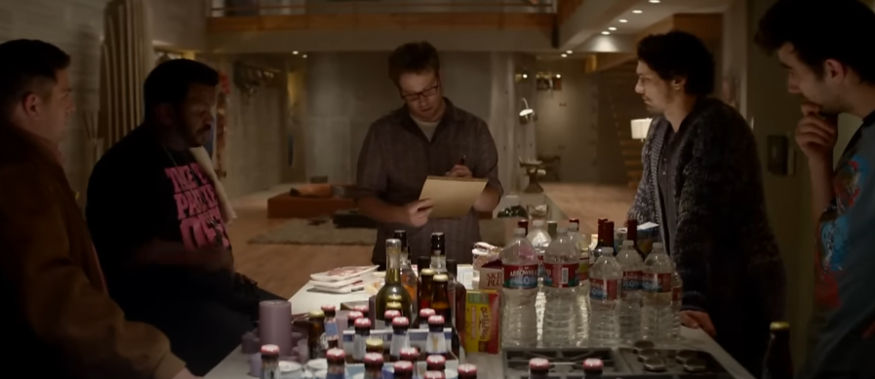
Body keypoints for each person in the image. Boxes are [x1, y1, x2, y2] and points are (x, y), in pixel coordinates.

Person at [0, 40, 198, 379]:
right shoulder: (18, 175)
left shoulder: (32, 165)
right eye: (65, 95)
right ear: (33, 105)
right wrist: (155, 362)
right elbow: (55, 294)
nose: (72, 107)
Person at [86, 59, 282, 376]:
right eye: (200, 109)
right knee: (255, 349)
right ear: (165, 113)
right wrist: (197, 256)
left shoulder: (189, 154)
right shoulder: (124, 167)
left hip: (217, 290)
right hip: (167, 307)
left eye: (213, 107)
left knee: (292, 319)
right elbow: (121, 253)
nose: (211, 119)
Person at [627, 31, 786, 374]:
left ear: (678, 80)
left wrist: (692, 297)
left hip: (737, 292)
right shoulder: (659, 131)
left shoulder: (716, 126)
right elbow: (644, 211)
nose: (638, 89)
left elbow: (696, 219)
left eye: (645, 79)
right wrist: (610, 256)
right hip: (690, 289)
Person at [756, 1, 875, 377]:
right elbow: (832, 247)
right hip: (830, 357)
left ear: (833, 70)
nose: (792, 87)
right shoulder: (862, 137)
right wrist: (819, 161)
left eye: (793, 72)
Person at [355, 41, 502, 267]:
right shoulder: (382, 132)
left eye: (428, 90)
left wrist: (471, 190)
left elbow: (493, 199)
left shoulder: (473, 128)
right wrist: (401, 214)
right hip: (400, 260)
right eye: (412, 96)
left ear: (439, 78)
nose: (423, 101)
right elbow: (364, 199)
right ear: (400, 92)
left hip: (460, 256)